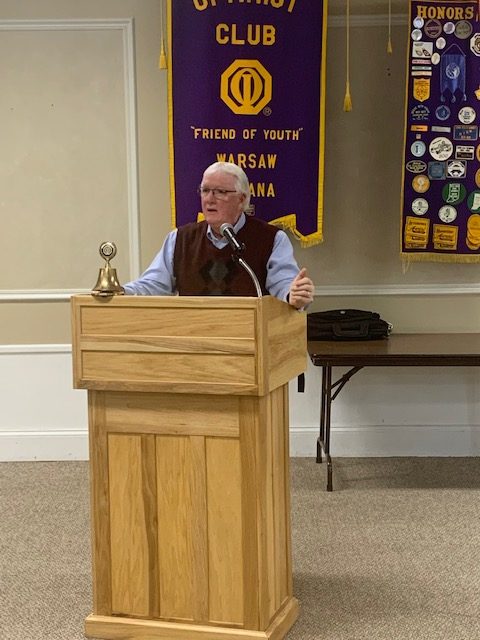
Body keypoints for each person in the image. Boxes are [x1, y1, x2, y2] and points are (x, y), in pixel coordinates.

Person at [123, 161, 314, 309]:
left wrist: (293, 294)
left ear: (242, 199)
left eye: (220, 192)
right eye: (205, 190)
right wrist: (121, 291)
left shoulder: (271, 238)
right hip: (194, 338)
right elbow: (153, 285)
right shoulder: (180, 239)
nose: (209, 199)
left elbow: (284, 283)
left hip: (250, 339)